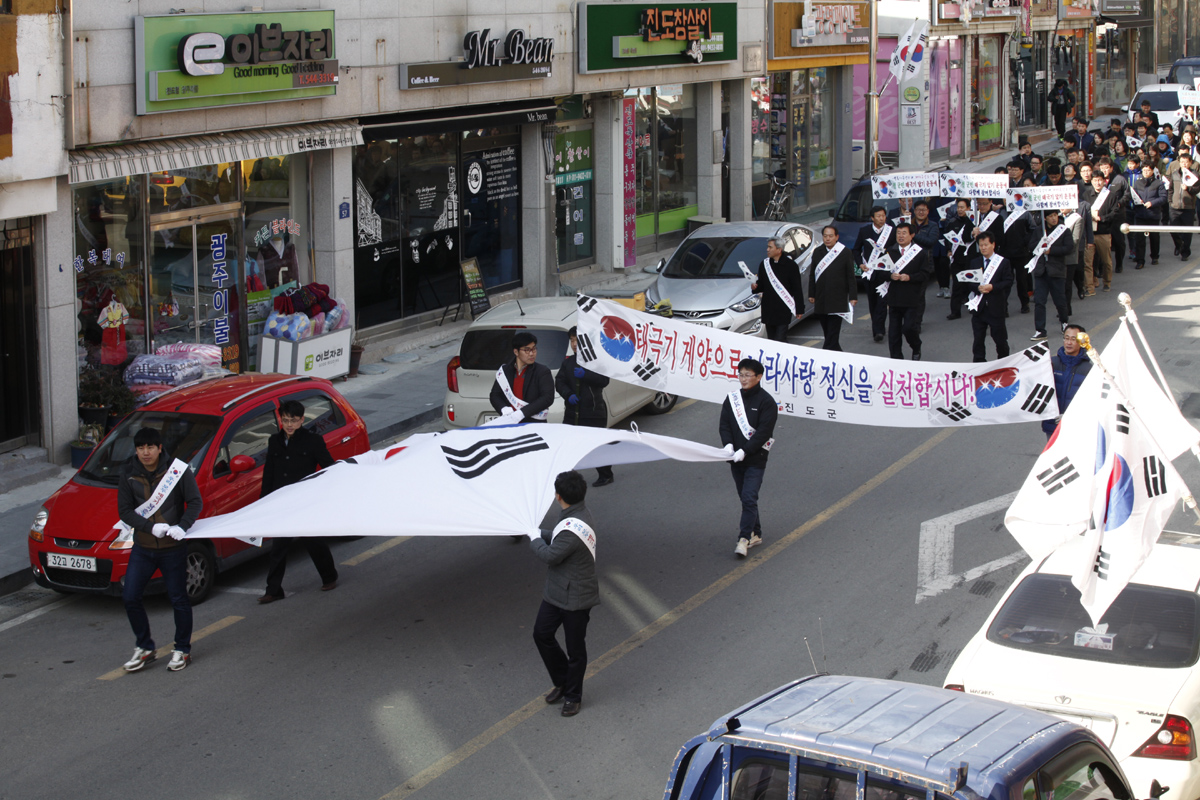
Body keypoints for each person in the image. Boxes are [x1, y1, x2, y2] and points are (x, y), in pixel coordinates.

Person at [118, 427, 203, 673]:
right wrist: (149, 527)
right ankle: (145, 647)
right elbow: (125, 511)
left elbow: (195, 502)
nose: (146, 452)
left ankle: (182, 649)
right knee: (130, 596)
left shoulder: (177, 471)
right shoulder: (128, 473)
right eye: (141, 448)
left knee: (178, 599)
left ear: (159, 448)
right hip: (143, 547)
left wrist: (182, 526)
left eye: (150, 447)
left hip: (172, 548)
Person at [528, 470, 599, 718]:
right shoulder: (574, 513)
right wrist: (539, 532)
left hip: (576, 597)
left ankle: (573, 696)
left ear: (558, 496)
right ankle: (562, 681)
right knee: (542, 634)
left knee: (575, 650)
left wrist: (534, 538)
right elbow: (559, 537)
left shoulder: (574, 523)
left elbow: (550, 554)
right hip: (558, 590)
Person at [257, 400, 339, 604]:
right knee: (278, 548)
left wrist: (324, 492)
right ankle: (273, 590)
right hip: (282, 502)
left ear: (302, 419)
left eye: (293, 420)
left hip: (304, 500)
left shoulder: (313, 441)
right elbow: (269, 472)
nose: (289, 425)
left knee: (313, 542)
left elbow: (329, 468)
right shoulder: (274, 441)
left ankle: (329, 577)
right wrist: (264, 501)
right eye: (285, 420)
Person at [719, 358, 777, 558]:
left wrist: (745, 450)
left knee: (749, 497)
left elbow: (763, 432)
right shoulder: (732, 399)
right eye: (741, 374)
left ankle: (744, 538)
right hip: (735, 459)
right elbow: (724, 424)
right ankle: (756, 533)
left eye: (747, 375)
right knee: (745, 497)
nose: (743, 379)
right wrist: (728, 444)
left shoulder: (767, 402)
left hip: (755, 459)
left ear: (758, 377)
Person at [556, 327, 613, 487]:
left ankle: (606, 474)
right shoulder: (568, 362)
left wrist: (586, 375)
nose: (574, 344)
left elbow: (604, 380)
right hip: (572, 412)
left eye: (577, 340)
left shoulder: (596, 360)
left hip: (593, 411)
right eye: (572, 340)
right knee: (568, 445)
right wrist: (568, 394)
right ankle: (567, 477)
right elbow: (559, 382)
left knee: (596, 446)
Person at [884, 222, 932, 360]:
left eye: (904, 233)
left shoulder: (920, 253)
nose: (901, 236)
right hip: (894, 298)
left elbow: (925, 275)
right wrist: (890, 276)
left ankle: (916, 346)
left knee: (909, 328)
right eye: (898, 233)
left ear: (912, 235)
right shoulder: (890, 252)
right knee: (893, 333)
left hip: (912, 298)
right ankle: (896, 359)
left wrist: (910, 277)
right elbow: (880, 272)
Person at [807, 225, 858, 351]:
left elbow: (850, 276)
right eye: (825, 236)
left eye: (830, 236)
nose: (828, 239)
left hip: (838, 298)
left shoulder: (845, 252)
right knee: (827, 332)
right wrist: (811, 293)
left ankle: (825, 354)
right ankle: (837, 354)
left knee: (833, 332)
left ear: (837, 237)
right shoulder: (818, 252)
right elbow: (812, 274)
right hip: (821, 297)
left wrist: (853, 296)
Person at [966, 232, 1013, 362]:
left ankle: (1003, 363)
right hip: (979, 307)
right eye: (981, 245)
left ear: (993, 244)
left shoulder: (1003, 262)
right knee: (978, 339)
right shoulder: (974, 262)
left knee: (1000, 340)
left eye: (986, 245)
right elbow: (969, 282)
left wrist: (992, 287)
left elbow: (1008, 281)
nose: (983, 248)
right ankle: (979, 364)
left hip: (996, 306)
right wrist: (977, 288)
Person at [1029, 209, 1075, 341]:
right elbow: (1031, 246)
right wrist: (1040, 244)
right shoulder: (1039, 230)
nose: (1054, 218)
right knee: (1039, 302)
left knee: (1060, 300)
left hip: (1057, 270)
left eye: (1055, 215)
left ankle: (1064, 322)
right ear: (1045, 218)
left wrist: (1051, 250)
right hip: (1041, 271)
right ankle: (1040, 330)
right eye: (1050, 216)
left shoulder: (1063, 230)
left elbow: (1069, 247)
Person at [852, 206, 895, 343]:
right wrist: (860, 264)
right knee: (873, 301)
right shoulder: (865, 231)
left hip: (884, 272)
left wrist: (887, 251)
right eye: (878, 216)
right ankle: (876, 329)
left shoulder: (891, 231)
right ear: (872, 218)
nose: (881, 218)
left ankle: (879, 331)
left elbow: (896, 248)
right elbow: (856, 249)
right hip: (869, 272)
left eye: (883, 216)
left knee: (882, 301)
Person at [490, 331, 555, 423]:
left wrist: (522, 413)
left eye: (534, 349)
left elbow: (547, 398)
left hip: (534, 423)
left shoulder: (542, 371)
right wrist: (503, 408)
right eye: (527, 350)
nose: (531, 353)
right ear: (516, 352)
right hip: (510, 422)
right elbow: (495, 395)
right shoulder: (505, 371)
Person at [1042, 324, 1092, 438]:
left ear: (1081, 342)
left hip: (1076, 428)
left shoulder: (1088, 370)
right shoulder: (1050, 364)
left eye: (1073, 339)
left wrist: (1070, 417)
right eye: (1066, 338)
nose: (1069, 342)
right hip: (1052, 425)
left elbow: (1090, 401)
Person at [753, 237, 804, 342]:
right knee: (771, 339)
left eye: (770, 247)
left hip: (783, 309)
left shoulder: (791, 266)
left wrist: (799, 308)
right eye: (767, 247)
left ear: (779, 249)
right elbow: (761, 285)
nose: (767, 249)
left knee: (780, 339)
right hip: (769, 309)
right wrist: (755, 287)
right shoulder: (764, 264)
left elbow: (797, 288)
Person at [942, 198, 977, 320]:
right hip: (957, 258)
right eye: (958, 207)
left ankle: (973, 306)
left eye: (962, 207)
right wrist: (948, 250)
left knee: (972, 284)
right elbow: (947, 238)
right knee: (956, 286)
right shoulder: (952, 222)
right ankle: (955, 311)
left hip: (970, 258)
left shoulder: (973, 221)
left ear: (968, 208)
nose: (960, 210)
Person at [1130, 160, 1167, 268]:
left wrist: (1152, 203)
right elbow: (1133, 195)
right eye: (1144, 170)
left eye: (1148, 170)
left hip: (1153, 214)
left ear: (1152, 171)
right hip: (1140, 214)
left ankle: (1155, 256)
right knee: (1139, 239)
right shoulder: (1138, 183)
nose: (1146, 172)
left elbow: (1163, 198)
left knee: (1154, 238)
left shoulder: (1158, 183)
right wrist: (1136, 201)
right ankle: (1140, 260)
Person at [1097, 157, 1129, 274]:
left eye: (1106, 168)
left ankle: (1119, 264)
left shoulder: (1120, 179)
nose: (1104, 170)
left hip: (1117, 215)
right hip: (1102, 216)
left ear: (1111, 168)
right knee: (1101, 242)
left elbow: (1127, 194)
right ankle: (1101, 268)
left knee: (1119, 241)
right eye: (1102, 168)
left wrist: (1119, 203)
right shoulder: (1097, 180)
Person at [1166, 150, 1200, 260]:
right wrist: (1170, 202)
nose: (1184, 164)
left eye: (1186, 162)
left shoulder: (1194, 175)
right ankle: (1179, 245)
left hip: (1188, 207)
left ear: (1190, 163)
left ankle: (1185, 252)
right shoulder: (1175, 174)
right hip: (1174, 206)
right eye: (1182, 162)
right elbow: (1170, 189)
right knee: (1173, 230)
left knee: (1187, 232)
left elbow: (1197, 189)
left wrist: (1188, 188)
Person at [1089, 171, 1118, 292]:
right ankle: (1090, 285)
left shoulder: (1111, 195)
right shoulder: (1086, 194)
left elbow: (1114, 212)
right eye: (1095, 180)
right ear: (1091, 181)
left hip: (1104, 232)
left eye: (1100, 180)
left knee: (1106, 261)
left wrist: (1101, 218)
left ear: (1104, 181)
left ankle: (1107, 282)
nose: (1098, 183)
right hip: (1090, 233)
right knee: (1088, 262)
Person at [911, 201, 947, 297]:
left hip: (924, 262)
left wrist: (914, 236)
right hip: (909, 261)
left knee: (921, 291)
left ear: (928, 211)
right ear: (914, 211)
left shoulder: (933, 225)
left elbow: (931, 241)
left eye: (923, 210)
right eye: (919, 210)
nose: (921, 212)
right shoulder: (908, 224)